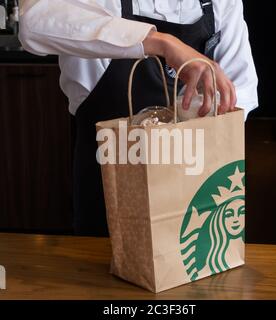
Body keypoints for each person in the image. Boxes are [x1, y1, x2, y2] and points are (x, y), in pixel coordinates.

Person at [19, 0, 258, 237]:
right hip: (108, 199)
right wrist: (162, 43)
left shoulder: (221, 3)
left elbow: (239, 90)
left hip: (193, 202)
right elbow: (35, 22)